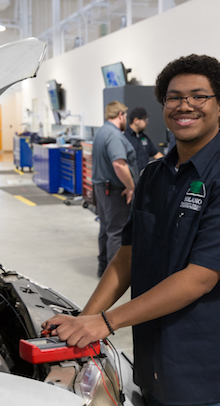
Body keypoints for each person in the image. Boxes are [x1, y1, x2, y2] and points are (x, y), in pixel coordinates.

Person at [43, 54, 220, 406]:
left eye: (198, 97)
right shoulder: (153, 174)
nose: (184, 106)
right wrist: (82, 320)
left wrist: (105, 323)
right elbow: (127, 257)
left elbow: (199, 279)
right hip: (155, 363)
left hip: (213, 370)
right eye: (174, 97)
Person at [92, 101, 137, 277]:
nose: (126, 119)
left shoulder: (101, 132)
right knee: (116, 232)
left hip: (101, 188)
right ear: (120, 115)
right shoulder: (114, 135)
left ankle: (102, 268)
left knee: (105, 228)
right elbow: (119, 164)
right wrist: (131, 187)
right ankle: (114, 275)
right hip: (115, 191)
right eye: (125, 116)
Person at [124, 106, 163, 172]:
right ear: (136, 120)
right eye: (145, 120)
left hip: (144, 178)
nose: (147, 122)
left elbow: (157, 155)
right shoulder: (124, 137)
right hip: (130, 178)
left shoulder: (144, 137)